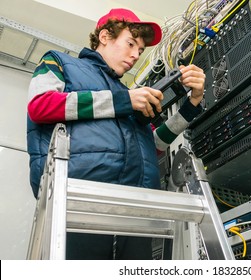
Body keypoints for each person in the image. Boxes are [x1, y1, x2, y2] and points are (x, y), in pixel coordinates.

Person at [27, 8, 205, 259]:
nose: (135, 55)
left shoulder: (129, 95)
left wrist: (192, 105)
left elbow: (153, 146)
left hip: (135, 212)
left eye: (140, 51)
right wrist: (123, 100)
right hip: (78, 205)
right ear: (104, 36)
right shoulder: (59, 62)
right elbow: (40, 105)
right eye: (130, 44)